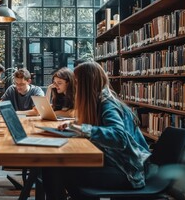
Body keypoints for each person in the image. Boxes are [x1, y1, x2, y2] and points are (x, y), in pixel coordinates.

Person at [42, 61, 151, 200]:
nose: (74, 85)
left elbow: (119, 137)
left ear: (86, 83)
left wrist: (83, 129)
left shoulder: (108, 104)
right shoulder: (98, 100)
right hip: (115, 163)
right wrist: (74, 125)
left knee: (55, 170)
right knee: (53, 167)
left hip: (128, 172)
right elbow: (100, 127)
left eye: (76, 81)